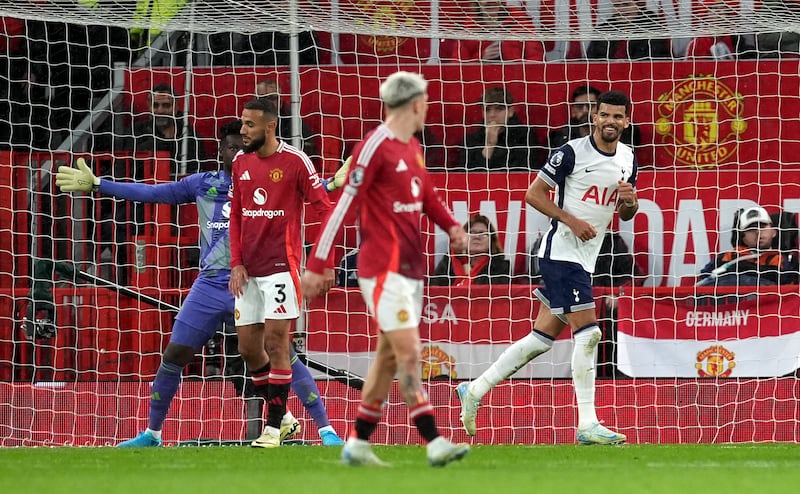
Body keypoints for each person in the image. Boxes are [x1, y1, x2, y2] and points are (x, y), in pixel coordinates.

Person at [55, 120, 348, 447]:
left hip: (254, 280)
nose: (236, 151)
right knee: (176, 352)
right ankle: (151, 433)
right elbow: (154, 193)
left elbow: (306, 187)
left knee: (284, 353)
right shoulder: (202, 183)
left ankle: (326, 430)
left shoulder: (266, 179)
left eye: (242, 146)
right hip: (210, 285)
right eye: (230, 146)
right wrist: (99, 184)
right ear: (220, 151)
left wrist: (332, 183)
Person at [301, 71, 471, 467]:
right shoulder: (373, 146)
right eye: (426, 100)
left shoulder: (411, 146)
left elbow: (426, 194)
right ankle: (434, 441)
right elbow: (344, 206)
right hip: (383, 268)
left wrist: (452, 227)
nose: (428, 107)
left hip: (412, 269)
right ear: (415, 103)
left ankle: (358, 443)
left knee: (388, 357)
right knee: (410, 351)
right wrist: (318, 264)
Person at [456, 90, 638, 445]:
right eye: (605, 115)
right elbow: (533, 195)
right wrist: (570, 220)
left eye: (618, 117)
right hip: (560, 253)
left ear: (626, 121)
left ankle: (475, 389)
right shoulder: (571, 152)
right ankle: (587, 424)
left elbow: (625, 211)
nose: (610, 122)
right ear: (594, 117)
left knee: (541, 339)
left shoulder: (629, 159)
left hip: (586, 257)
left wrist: (630, 203)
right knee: (590, 334)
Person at [228, 97, 338, 448]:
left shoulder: (295, 161)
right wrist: (236, 262)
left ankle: (272, 429)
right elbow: (236, 218)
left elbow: (325, 209)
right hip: (249, 272)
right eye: (242, 124)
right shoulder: (240, 164)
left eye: (249, 125)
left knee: (277, 343)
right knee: (248, 350)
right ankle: (287, 419)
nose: (242, 131)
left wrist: (325, 261)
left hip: (281, 268)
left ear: (270, 126)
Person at [118, 83, 208, 178]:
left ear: (176, 107)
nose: (160, 111)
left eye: (166, 105)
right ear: (149, 107)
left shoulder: (190, 138)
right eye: (155, 105)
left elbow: (197, 173)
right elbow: (127, 169)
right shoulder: (136, 132)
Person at [697, 206, 797, 286]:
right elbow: (704, 280)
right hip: (733, 309)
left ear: (773, 232)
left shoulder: (786, 260)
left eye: (762, 226)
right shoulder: (728, 257)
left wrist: (740, 268)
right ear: (744, 238)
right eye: (752, 229)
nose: (758, 232)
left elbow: (788, 282)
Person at [459, 87, 542, 171]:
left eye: (499, 109)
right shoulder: (471, 141)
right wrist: (489, 145)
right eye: (487, 110)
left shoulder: (526, 137)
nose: (492, 115)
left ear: (510, 111)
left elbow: (525, 171)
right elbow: (467, 176)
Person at [441, 1, 545, 63]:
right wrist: (481, 57)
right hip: (480, 82)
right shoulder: (469, 27)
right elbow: (457, 63)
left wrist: (517, 69)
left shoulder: (519, 21)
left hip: (516, 80)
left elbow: (536, 57)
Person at [549, 85, 640, 151]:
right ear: (573, 111)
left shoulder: (626, 132)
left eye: (590, 105)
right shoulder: (561, 138)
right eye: (580, 106)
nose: (585, 110)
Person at [429, 214, 511, 286]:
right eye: (472, 232)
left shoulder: (502, 267)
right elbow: (434, 290)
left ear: (491, 240)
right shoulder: (448, 263)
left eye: (482, 233)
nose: (477, 237)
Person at [255, 78, 318, 162]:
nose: (267, 102)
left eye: (271, 98)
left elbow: (308, 150)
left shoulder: (294, 123)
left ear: (280, 100)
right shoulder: (249, 121)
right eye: (262, 98)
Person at [585, 0, 671, 60]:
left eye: (626, 4)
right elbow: (590, 61)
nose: (621, 10)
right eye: (617, 5)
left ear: (638, 6)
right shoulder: (602, 31)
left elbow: (659, 59)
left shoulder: (653, 28)